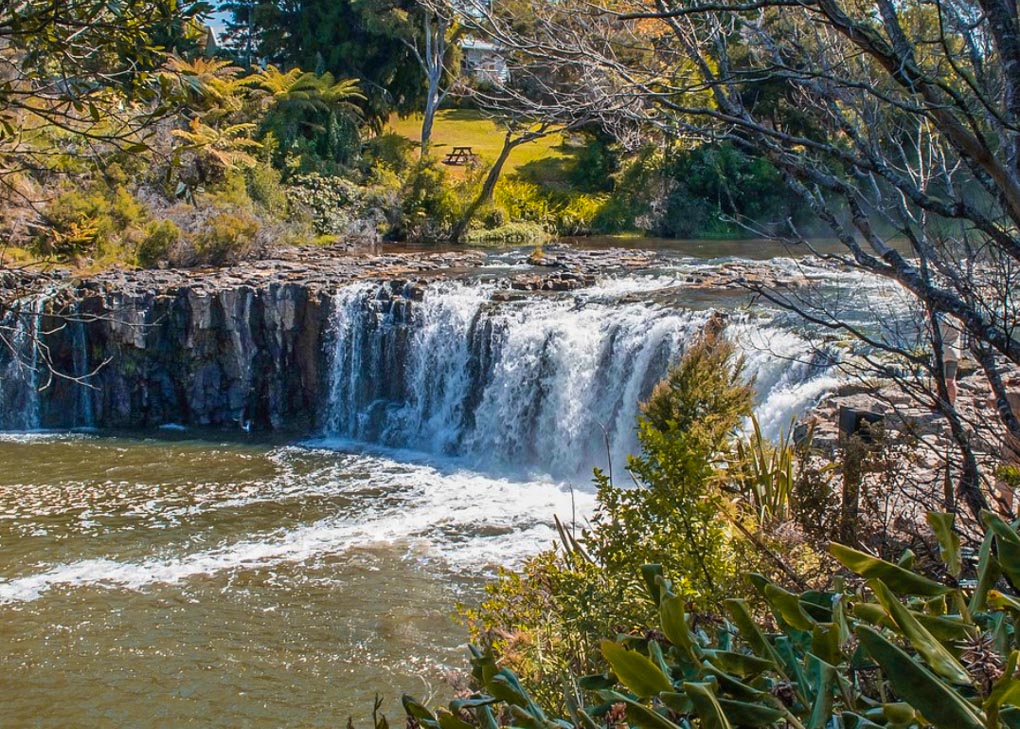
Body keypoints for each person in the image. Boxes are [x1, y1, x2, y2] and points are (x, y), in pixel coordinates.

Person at [937, 313, 964, 406]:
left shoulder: (939, 318)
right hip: (954, 352)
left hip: (941, 351)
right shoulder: (958, 319)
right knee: (951, 380)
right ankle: (952, 404)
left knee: (940, 380)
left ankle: (941, 403)